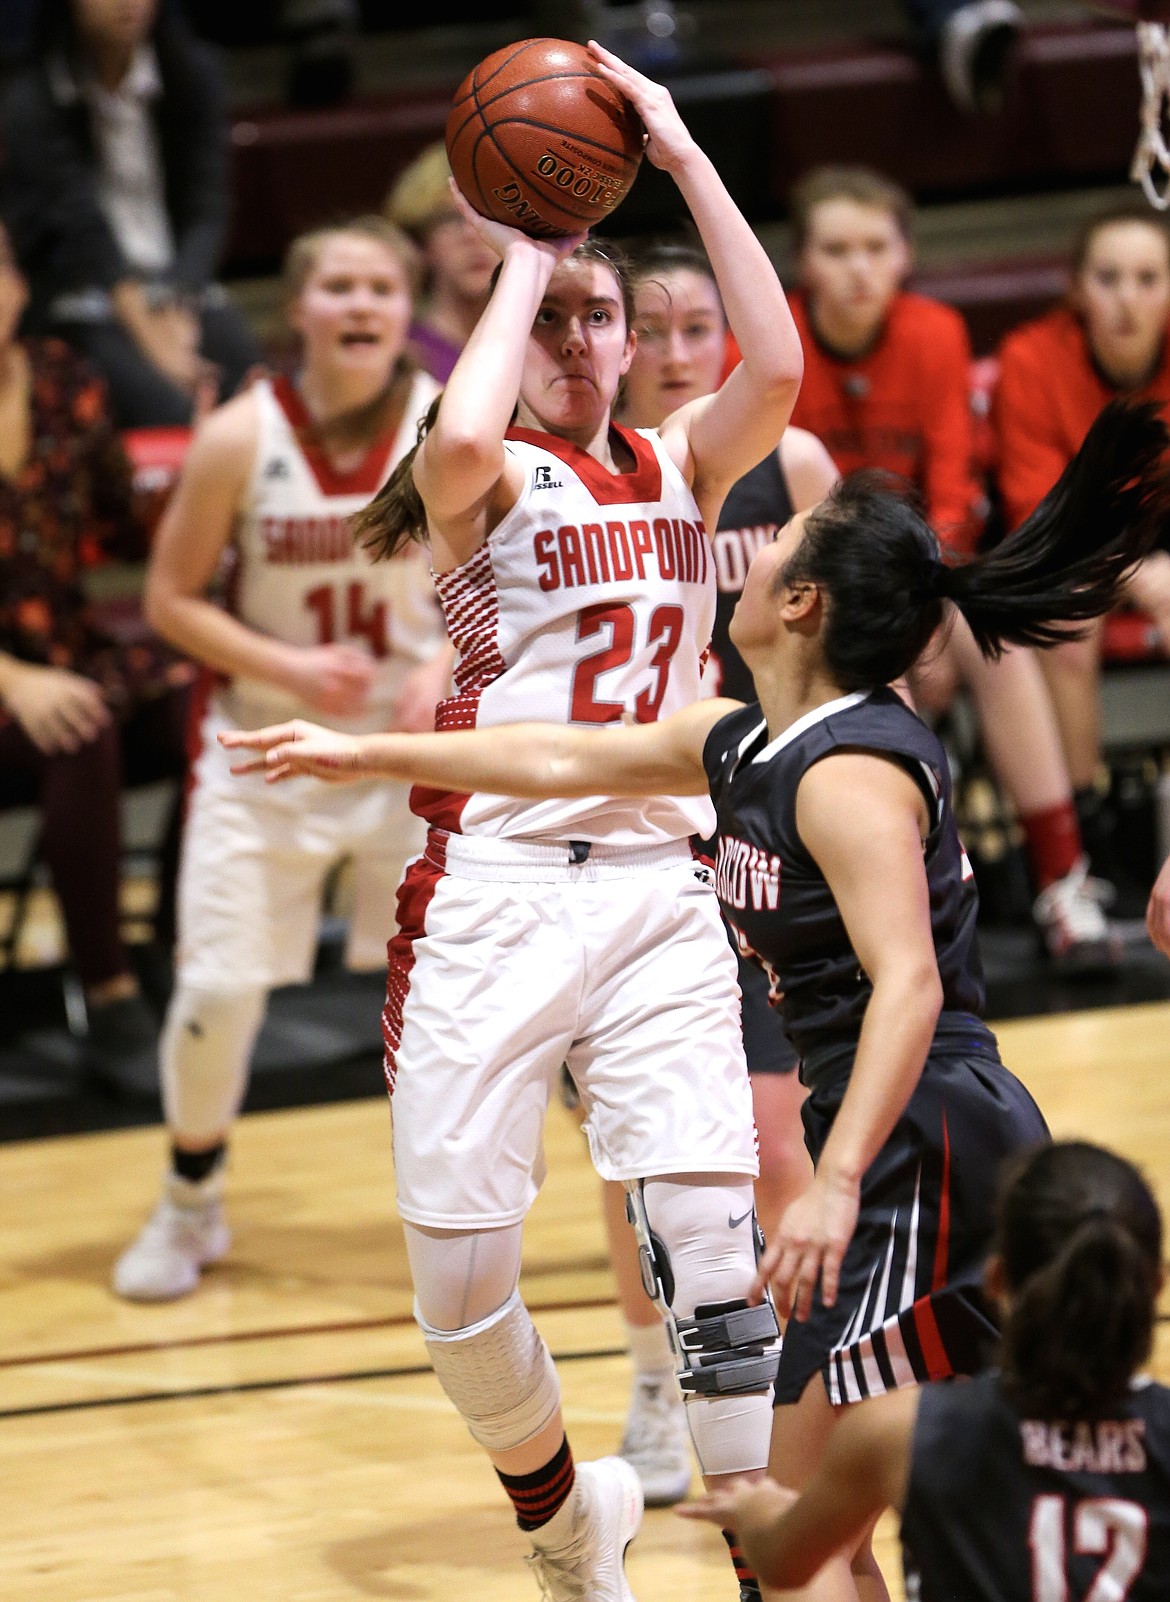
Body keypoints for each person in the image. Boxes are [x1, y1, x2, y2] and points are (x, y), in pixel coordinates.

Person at [225, 397, 1169, 1602]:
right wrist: (363, 754)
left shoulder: (848, 777)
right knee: (830, 1522)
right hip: (904, 1145)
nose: (755, 539)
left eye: (785, 540)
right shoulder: (747, 740)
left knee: (786, 1524)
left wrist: (830, 1189)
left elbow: (913, 985)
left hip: (924, 1146)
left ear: (800, 605)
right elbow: (562, 754)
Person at [238, 40, 805, 1602]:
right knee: (458, 1290)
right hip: (489, 881)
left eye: (597, 314)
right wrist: (526, 252)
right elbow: (467, 440)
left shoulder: (684, 457)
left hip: (650, 882)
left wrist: (682, 158)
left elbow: (776, 369)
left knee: (709, 1230)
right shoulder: (476, 474)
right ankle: (567, 1524)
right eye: (552, 319)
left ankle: (758, 1549)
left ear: (636, 343)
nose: (575, 336)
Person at [112, 215, 448, 1302]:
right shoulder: (237, 436)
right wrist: (287, 667)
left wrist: (445, 652)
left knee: (451, 1001)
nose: (360, 305)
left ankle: (460, 1216)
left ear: (407, 310)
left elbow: (513, 579)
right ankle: (189, 1196)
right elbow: (166, 601)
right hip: (264, 748)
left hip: (407, 756)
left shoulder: (455, 426)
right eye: (338, 286)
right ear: (297, 308)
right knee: (214, 994)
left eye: (381, 288)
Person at [599, 238, 834, 1510]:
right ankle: (651, 1371)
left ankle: (789, 1388)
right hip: (644, 835)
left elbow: (865, 650)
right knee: (647, 1156)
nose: (684, 352)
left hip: (772, 823)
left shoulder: (789, 466)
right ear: (615, 347)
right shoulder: (599, 484)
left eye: (704, 328)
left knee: (773, 1138)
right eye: (658, 330)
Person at [787, 163, 1116, 972]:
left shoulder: (933, 332)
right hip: (814, 587)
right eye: (837, 249)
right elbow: (786, 517)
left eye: (875, 247)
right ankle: (891, 894)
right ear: (804, 263)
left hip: (918, 572)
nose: (858, 267)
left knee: (985, 629)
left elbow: (952, 496)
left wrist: (917, 616)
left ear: (904, 256)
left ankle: (1063, 880)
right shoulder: (772, 340)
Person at [680, 1137, 1170, 1602]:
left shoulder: (899, 1430)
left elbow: (784, 1562)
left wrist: (755, 1513)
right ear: (1156, 1284)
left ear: (994, 1278)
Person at [0, 218, 192, 1093]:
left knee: (206, 702)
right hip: (16, 682)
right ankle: (108, 992)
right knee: (80, 727)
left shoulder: (63, 378)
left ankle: (175, 955)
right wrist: (13, 680)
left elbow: (123, 524)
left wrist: (209, 436)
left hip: (65, 652)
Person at [995, 201, 1170, 885]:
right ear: (1076, 289)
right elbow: (1039, 511)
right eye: (1109, 277)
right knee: (1069, 618)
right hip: (1066, 547)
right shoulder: (1031, 357)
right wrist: (1131, 569)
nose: (1128, 298)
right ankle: (1086, 827)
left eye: (1148, 278)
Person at [0, 0, 261, 427]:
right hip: (79, 293)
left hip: (176, 281)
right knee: (171, 411)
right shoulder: (29, 96)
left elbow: (207, 206)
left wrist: (180, 295)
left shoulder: (192, 72)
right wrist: (156, 339)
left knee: (256, 393)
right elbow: (80, 227)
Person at [384, 141, 498, 384]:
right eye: (452, 219)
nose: (473, 233)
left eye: (488, 215)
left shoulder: (547, 344)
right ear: (420, 243)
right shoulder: (397, 356)